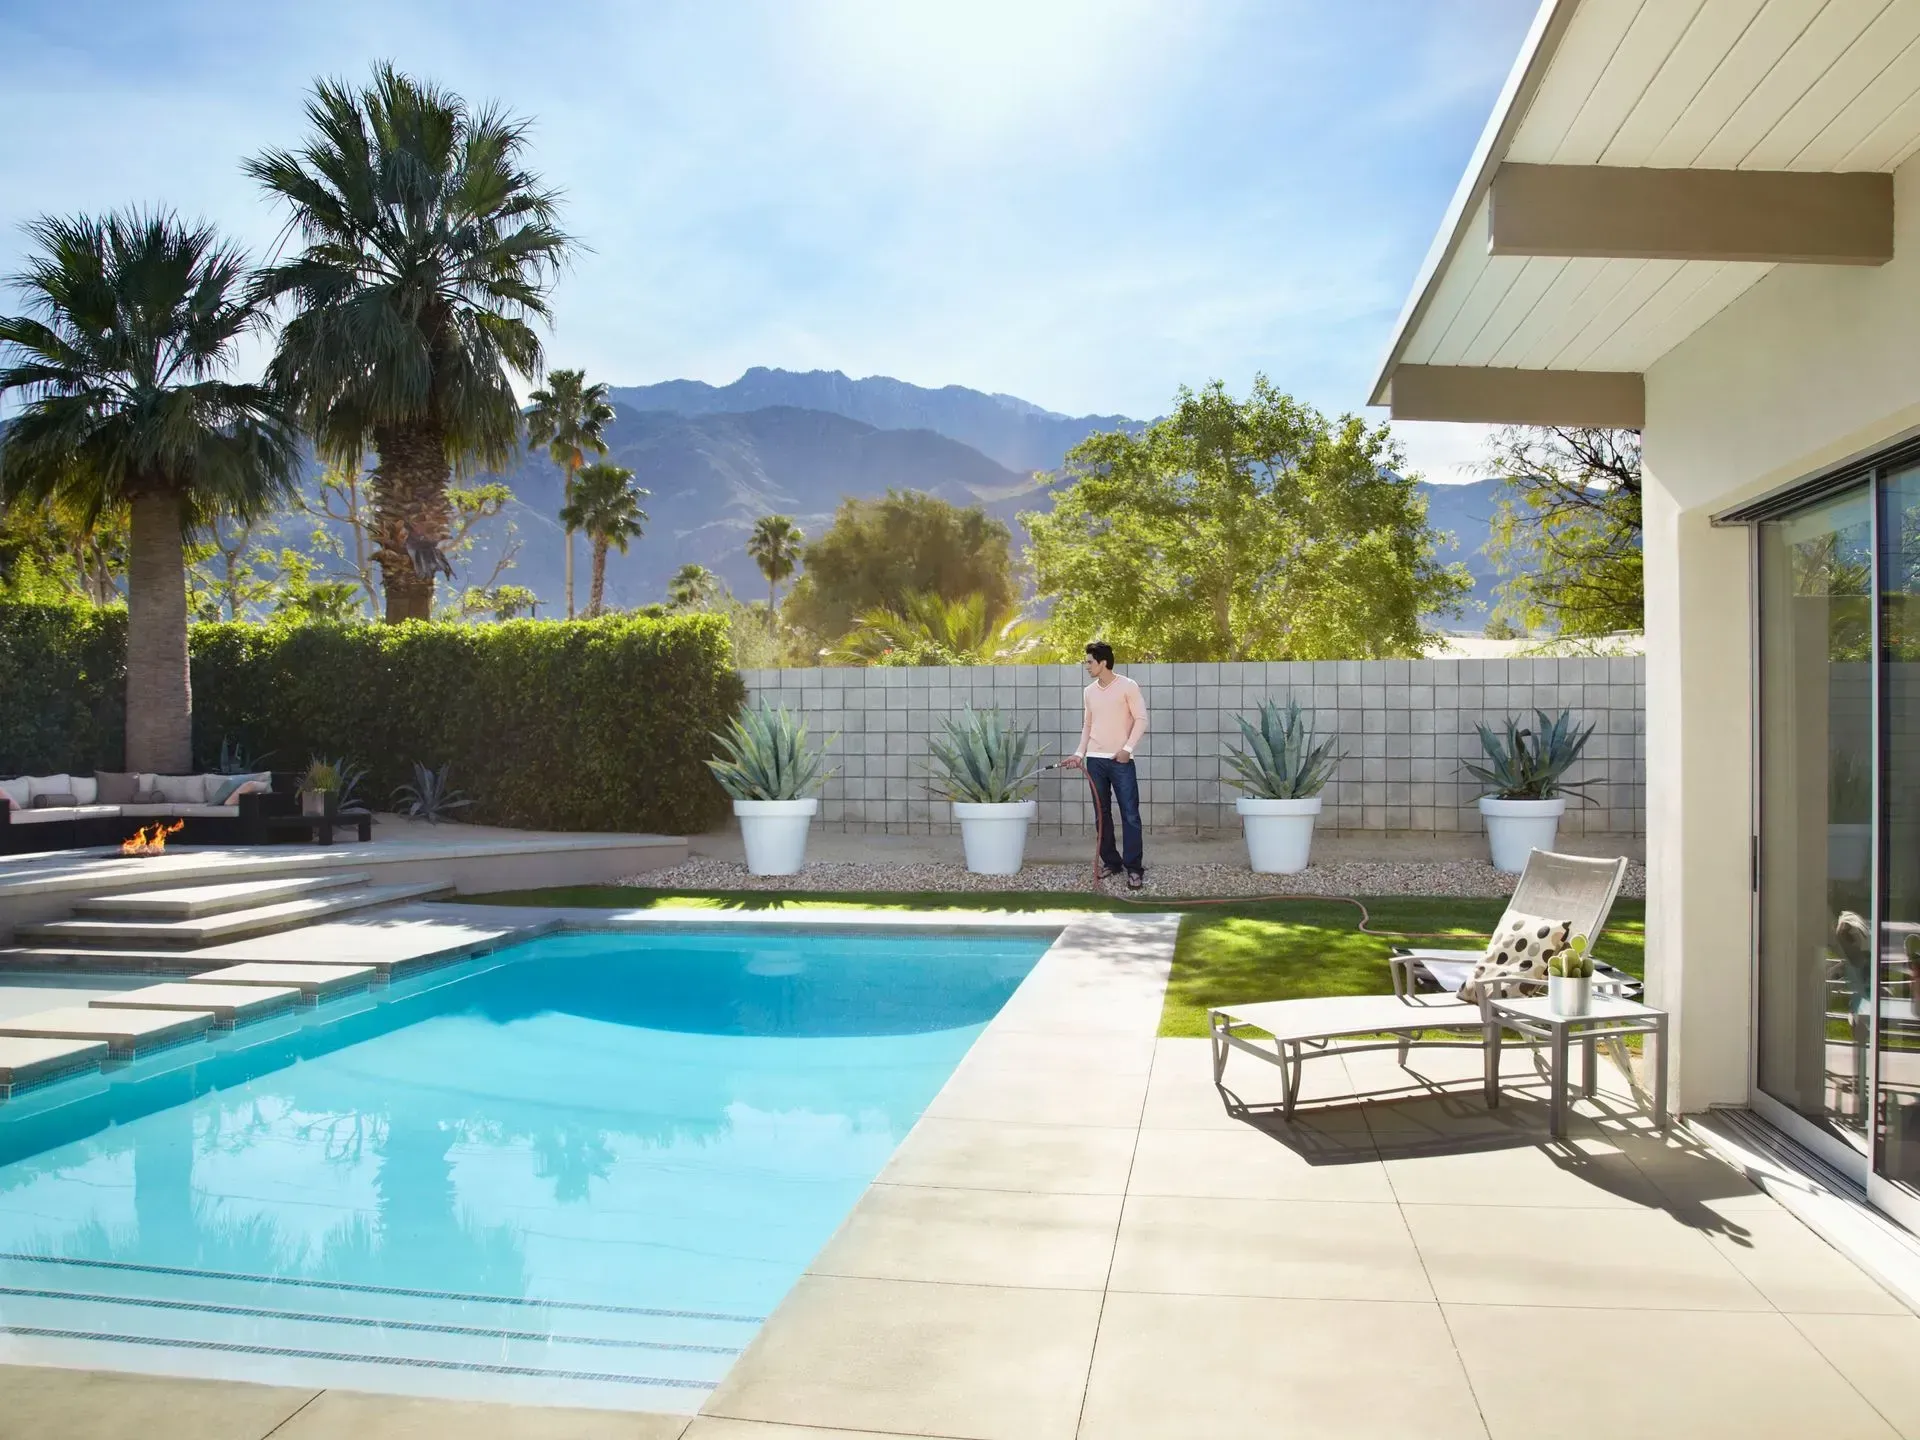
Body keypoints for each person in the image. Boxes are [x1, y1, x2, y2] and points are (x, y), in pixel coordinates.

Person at [1061, 641, 1149, 888]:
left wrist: (1127, 749)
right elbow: (1088, 725)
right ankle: (1112, 862)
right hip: (1095, 761)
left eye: (1089, 661)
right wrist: (1080, 753)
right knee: (1102, 815)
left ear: (1103, 662)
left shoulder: (1128, 687)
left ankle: (1134, 868)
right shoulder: (1089, 691)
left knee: (1130, 815)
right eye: (1086, 661)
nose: (1086, 666)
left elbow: (1142, 719)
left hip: (1121, 761)